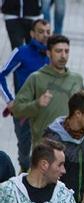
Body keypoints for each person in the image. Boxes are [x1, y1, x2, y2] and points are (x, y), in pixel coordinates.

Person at [12, 35, 84, 157]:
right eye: (58, 51)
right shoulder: (36, 78)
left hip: (72, 150)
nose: (63, 55)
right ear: (48, 53)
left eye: (66, 51)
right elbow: (17, 109)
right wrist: (37, 104)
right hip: (44, 150)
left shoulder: (76, 79)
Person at [0, 19, 50, 172]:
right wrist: (9, 100)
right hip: (24, 110)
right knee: (24, 147)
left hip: (46, 110)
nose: (45, 35)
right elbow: (2, 75)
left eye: (48, 32)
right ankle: (24, 168)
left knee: (46, 147)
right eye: (41, 32)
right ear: (32, 34)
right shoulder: (21, 52)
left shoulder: (52, 54)